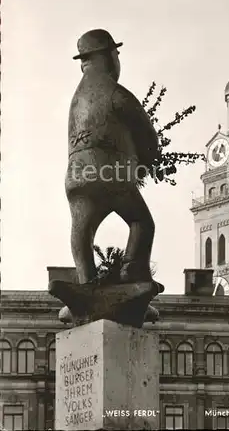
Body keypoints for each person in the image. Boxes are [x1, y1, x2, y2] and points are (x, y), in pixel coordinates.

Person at [66, 28, 159, 286]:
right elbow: (149, 136)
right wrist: (147, 159)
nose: (118, 60)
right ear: (106, 56)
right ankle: (132, 270)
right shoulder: (115, 92)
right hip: (110, 172)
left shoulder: (76, 101)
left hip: (75, 178)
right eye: (116, 53)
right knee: (141, 222)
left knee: (82, 232)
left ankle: (86, 282)